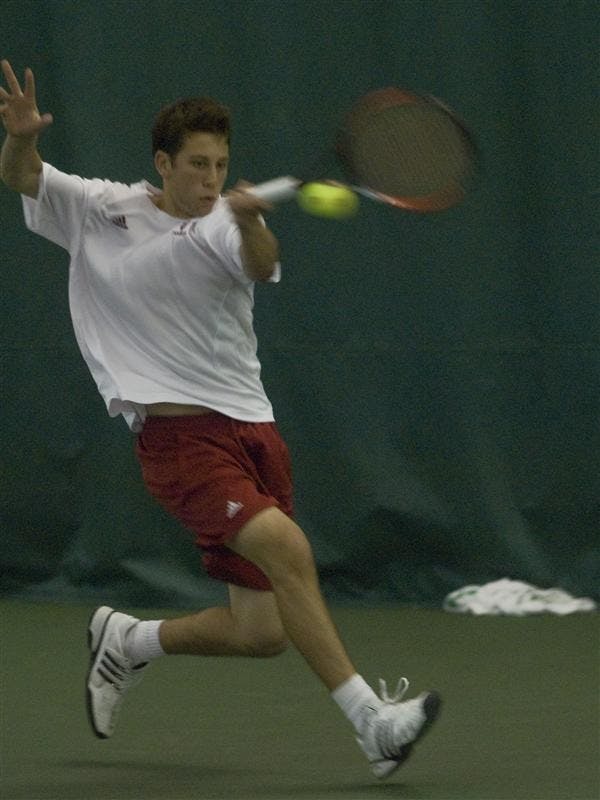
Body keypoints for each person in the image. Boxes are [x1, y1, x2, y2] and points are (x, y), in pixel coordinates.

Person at [0, 58, 441, 780]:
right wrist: (20, 137)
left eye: (221, 165)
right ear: (162, 164)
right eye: (197, 165)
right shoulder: (102, 208)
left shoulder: (226, 228)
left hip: (253, 431)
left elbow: (261, 266)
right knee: (290, 551)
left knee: (259, 631)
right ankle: (373, 724)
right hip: (179, 440)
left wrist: (248, 221)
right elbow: (24, 177)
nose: (210, 178)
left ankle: (129, 642)